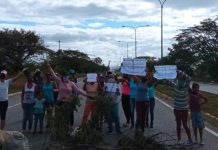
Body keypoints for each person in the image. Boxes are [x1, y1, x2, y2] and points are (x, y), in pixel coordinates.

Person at [47, 62, 89, 129]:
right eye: (64, 76)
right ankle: (58, 130)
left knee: (66, 118)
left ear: (68, 77)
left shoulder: (71, 83)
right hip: (60, 102)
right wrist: (49, 67)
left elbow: (78, 90)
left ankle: (66, 130)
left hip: (68, 103)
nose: (65, 77)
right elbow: (53, 74)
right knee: (58, 117)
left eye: (67, 76)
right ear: (62, 77)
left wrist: (87, 95)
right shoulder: (60, 81)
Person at [164, 70, 192, 144]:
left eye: (182, 81)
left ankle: (190, 139)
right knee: (178, 124)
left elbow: (189, 78)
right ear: (178, 81)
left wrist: (178, 71)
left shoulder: (186, 87)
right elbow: (166, 80)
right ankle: (179, 140)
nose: (181, 82)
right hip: (176, 109)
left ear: (184, 82)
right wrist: (162, 73)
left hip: (185, 109)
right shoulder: (174, 87)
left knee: (185, 125)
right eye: (180, 80)